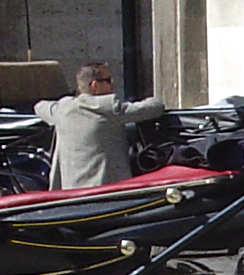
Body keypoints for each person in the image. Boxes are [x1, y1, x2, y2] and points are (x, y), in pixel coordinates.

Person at [33, 62, 165, 189]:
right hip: (107, 191)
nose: (112, 85)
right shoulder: (109, 108)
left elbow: (39, 106)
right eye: (108, 80)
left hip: (70, 191)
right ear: (95, 85)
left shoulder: (62, 109)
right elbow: (154, 108)